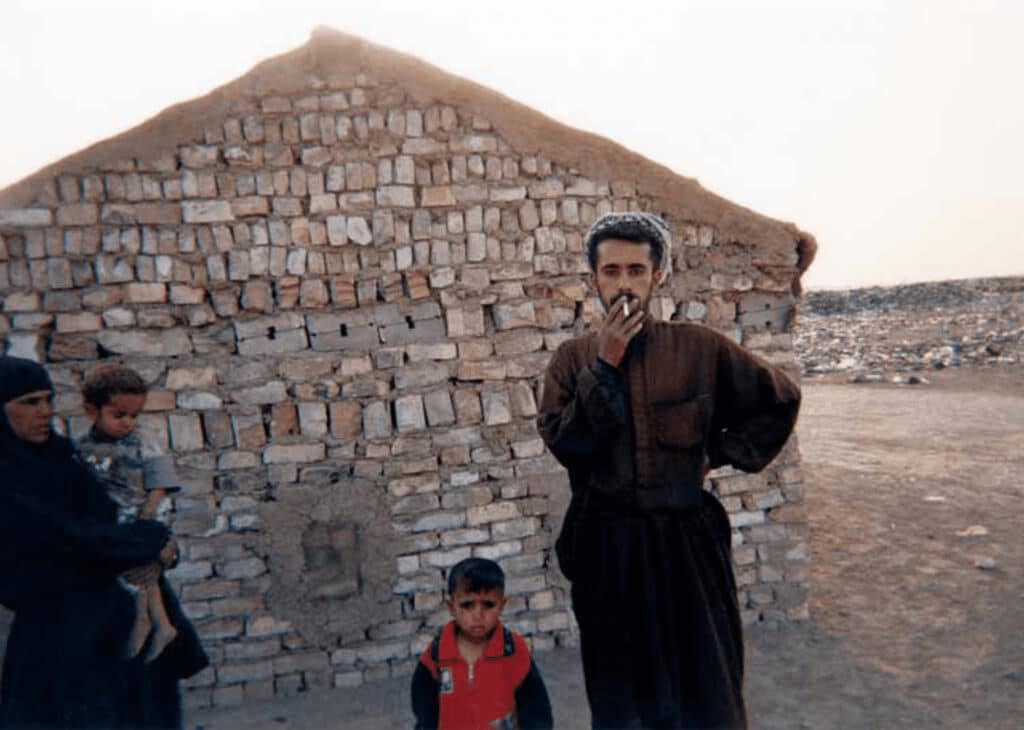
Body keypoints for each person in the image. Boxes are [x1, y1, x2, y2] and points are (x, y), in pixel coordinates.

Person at [537, 212, 801, 729]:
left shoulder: (699, 348)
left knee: (708, 694)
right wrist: (605, 366)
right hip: (608, 549)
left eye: (636, 270)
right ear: (593, 279)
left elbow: (780, 399)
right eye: (611, 271)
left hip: (687, 547)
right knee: (622, 702)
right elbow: (569, 445)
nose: (623, 284)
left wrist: (719, 453)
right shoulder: (571, 362)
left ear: (658, 276)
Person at [0, 356, 208, 729]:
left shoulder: (60, 455)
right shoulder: (8, 476)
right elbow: (67, 536)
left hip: (121, 620)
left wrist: (151, 549)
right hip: (60, 635)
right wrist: (149, 541)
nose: (45, 412)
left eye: (48, 399)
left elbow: (105, 515)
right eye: (30, 402)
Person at [76, 364, 183, 663]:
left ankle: (144, 620)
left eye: (134, 416)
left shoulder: (143, 440)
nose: (128, 423)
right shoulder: (83, 447)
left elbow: (160, 480)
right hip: (113, 522)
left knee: (139, 566)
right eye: (119, 415)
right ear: (90, 412)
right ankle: (160, 623)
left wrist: (147, 515)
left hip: (145, 514)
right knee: (136, 570)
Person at [411, 557, 553, 730]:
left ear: (502, 605)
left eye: (488, 604)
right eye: (467, 605)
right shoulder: (437, 654)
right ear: (451, 607)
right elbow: (424, 708)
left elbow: (537, 710)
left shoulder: (513, 651)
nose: (478, 615)